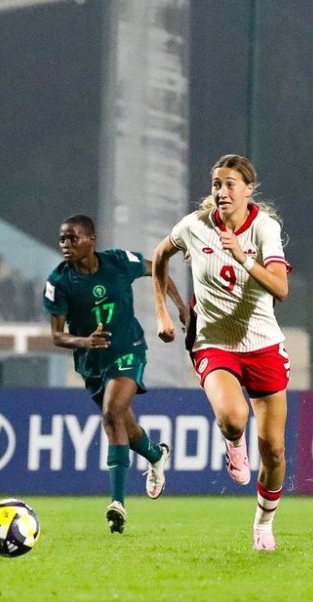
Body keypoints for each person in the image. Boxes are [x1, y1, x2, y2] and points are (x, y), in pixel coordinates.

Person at [152, 154, 292, 551]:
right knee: (233, 418)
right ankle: (233, 442)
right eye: (217, 184)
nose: (222, 191)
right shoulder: (194, 227)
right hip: (214, 342)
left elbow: (281, 289)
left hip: (263, 346)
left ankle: (263, 524)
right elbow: (159, 256)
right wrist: (163, 312)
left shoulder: (264, 228)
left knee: (275, 452)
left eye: (231, 184)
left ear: (249, 189)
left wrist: (242, 257)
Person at [43, 214, 187, 534]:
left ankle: (117, 503)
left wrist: (180, 306)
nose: (66, 245)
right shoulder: (58, 282)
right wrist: (84, 341)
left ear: (91, 240)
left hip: (128, 348)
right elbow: (56, 335)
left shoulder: (119, 262)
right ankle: (156, 456)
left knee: (112, 413)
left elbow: (158, 267)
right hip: (91, 363)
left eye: (73, 238)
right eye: (62, 239)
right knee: (125, 427)